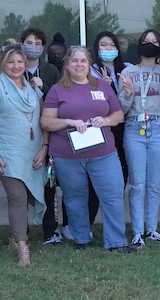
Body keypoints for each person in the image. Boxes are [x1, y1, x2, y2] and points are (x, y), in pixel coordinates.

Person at [41, 46, 136, 254]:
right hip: (67, 155)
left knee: (112, 194)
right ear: (67, 65)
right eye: (74, 61)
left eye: (83, 61)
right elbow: (46, 122)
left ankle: (116, 242)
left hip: (104, 154)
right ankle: (81, 239)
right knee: (74, 197)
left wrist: (106, 120)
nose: (79, 65)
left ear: (89, 64)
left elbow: (118, 115)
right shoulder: (58, 90)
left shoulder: (102, 86)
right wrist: (69, 122)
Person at [0, 47, 48, 266]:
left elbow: (44, 118)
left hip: (33, 151)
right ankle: (23, 248)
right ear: (3, 64)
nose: (16, 66)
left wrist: (44, 147)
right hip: (7, 150)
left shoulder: (32, 88)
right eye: (11, 62)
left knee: (28, 195)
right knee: (17, 197)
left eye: (20, 61)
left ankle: (14, 236)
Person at [119, 30, 160, 246]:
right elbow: (122, 107)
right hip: (134, 126)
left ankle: (152, 229)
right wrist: (128, 93)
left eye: (154, 41)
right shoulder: (129, 71)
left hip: (158, 127)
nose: (150, 44)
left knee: (154, 183)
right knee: (137, 183)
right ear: (139, 45)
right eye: (146, 41)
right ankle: (137, 231)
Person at [17, 28, 63, 246]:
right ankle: (19, 232)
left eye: (37, 42)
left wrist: (43, 88)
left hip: (46, 134)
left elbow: (60, 101)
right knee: (19, 185)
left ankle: (51, 230)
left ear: (42, 47)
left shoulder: (51, 70)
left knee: (48, 184)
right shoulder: (14, 69)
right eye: (28, 42)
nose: (32, 46)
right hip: (19, 135)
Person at [86, 30, 130, 227]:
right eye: (104, 45)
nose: (108, 49)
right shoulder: (91, 70)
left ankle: (112, 221)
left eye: (112, 45)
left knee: (121, 174)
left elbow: (129, 101)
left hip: (124, 127)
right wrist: (105, 86)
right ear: (97, 48)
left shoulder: (127, 68)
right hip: (100, 128)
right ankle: (88, 222)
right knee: (96, 177)